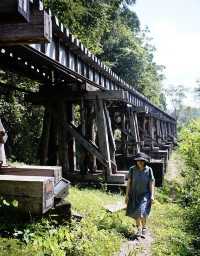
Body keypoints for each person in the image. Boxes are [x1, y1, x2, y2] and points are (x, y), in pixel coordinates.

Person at [125, 152, 155, 238]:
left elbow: (151, 183)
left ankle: (144, 227)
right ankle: (139, 228)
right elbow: (129, 182)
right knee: (136, 213)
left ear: (145, 161)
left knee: (141, 211)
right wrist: (127, 195)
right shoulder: (132, 169)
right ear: (136, 161)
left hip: (145, 195)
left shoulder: (149, 170)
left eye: (142, 161)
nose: (140, 162)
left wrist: (152, 195)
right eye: (138, 161)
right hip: (134, 194)